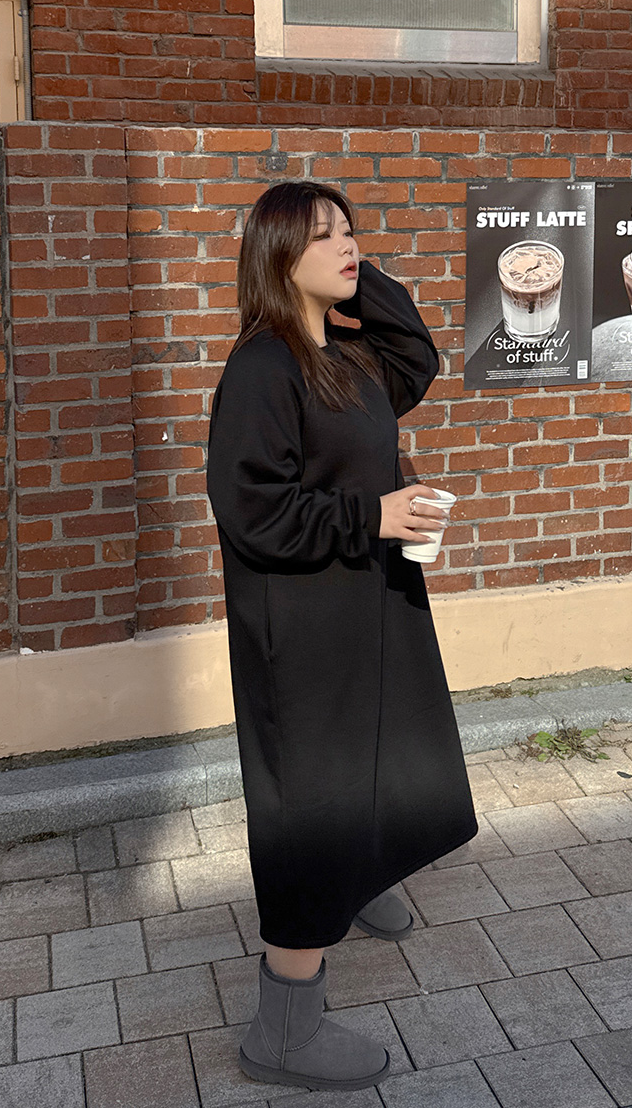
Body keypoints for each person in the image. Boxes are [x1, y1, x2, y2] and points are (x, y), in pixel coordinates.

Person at [206, 181, 477, 1092]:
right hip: (302, 632)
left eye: (352, 230)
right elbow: (252, 510)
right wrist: (374, 516)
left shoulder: (348, 356)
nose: (349, 245)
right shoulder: (262, 368)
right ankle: (283, 1031)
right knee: (312, 807)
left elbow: (417, 356)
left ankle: (359, 880)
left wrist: (364, 279)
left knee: (384, 754)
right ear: (278, 254)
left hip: (368, 601)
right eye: (323, 235)